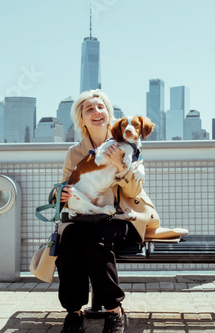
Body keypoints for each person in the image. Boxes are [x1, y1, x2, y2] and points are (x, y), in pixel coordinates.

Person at [55, 89, 160, 333]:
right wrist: (60, 194)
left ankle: (114, 312)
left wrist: (118, 165)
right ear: (82, 119)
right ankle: (74, 313)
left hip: (119, 217)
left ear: (108, 114)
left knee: (95, 240)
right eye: (89, 108)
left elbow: (134, 192)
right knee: (69, 240)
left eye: (101, 107)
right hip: (83, 216)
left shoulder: (128, 143)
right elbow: (63, 185)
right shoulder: (75, 152)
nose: (96, 112)